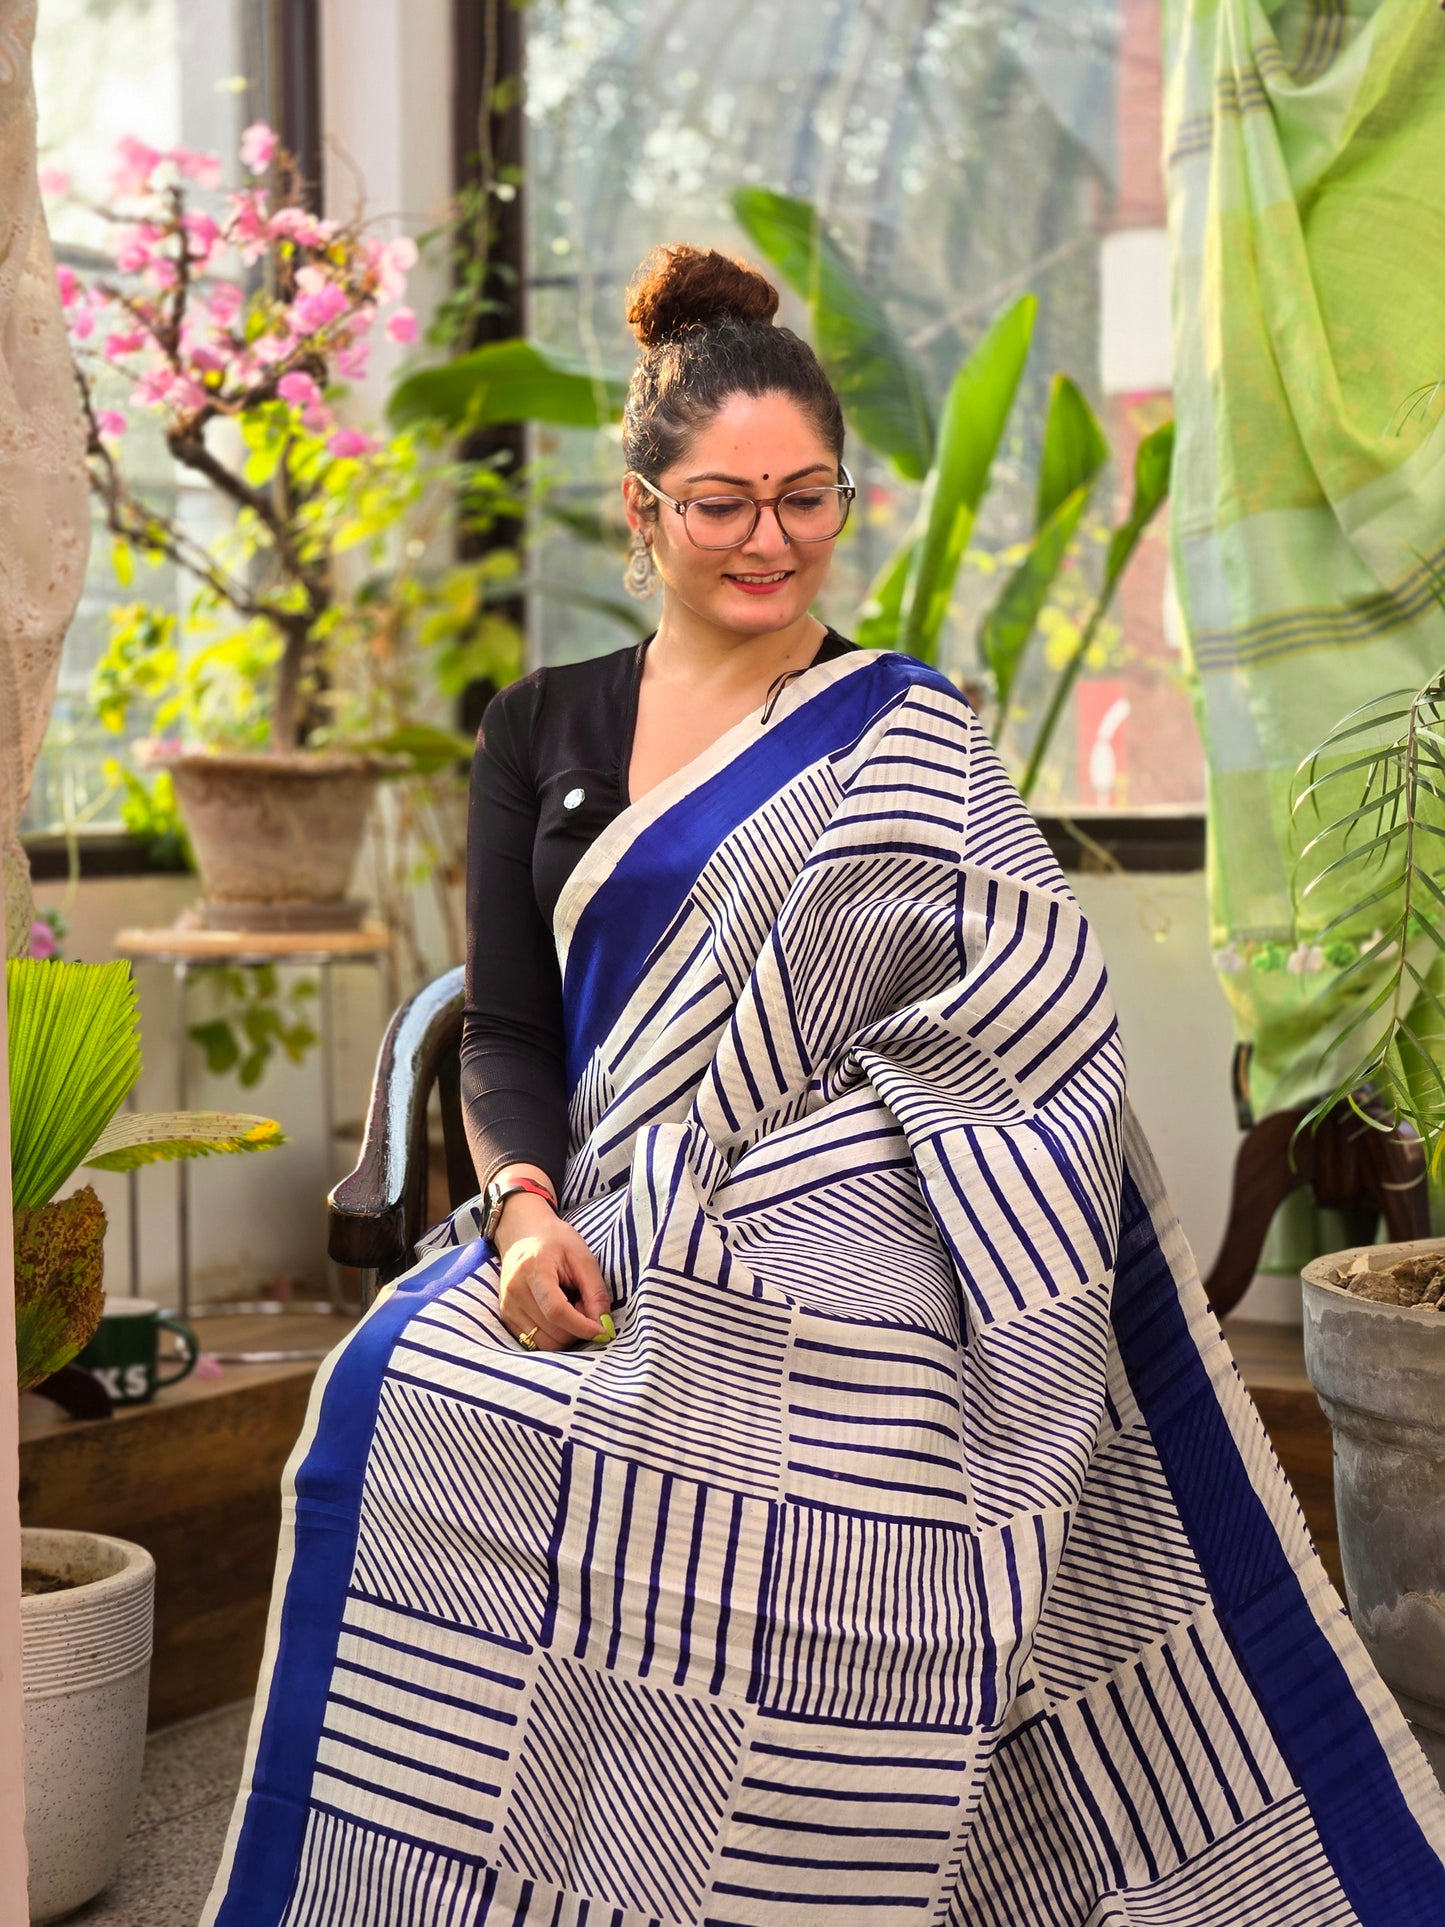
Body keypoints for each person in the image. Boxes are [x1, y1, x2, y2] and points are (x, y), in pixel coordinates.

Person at [205, 247, 1445, 1927]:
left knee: (848, 1508)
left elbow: (1022, 1007)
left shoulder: (904, 733)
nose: (769, 539)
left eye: (807, 499)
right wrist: (516, 1212)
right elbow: (507, 1032)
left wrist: (791, 1186)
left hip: (865, 1227)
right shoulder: (539, 732)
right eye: (722, 502)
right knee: (419, 1405)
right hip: (593, 1215)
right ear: (641, 510)